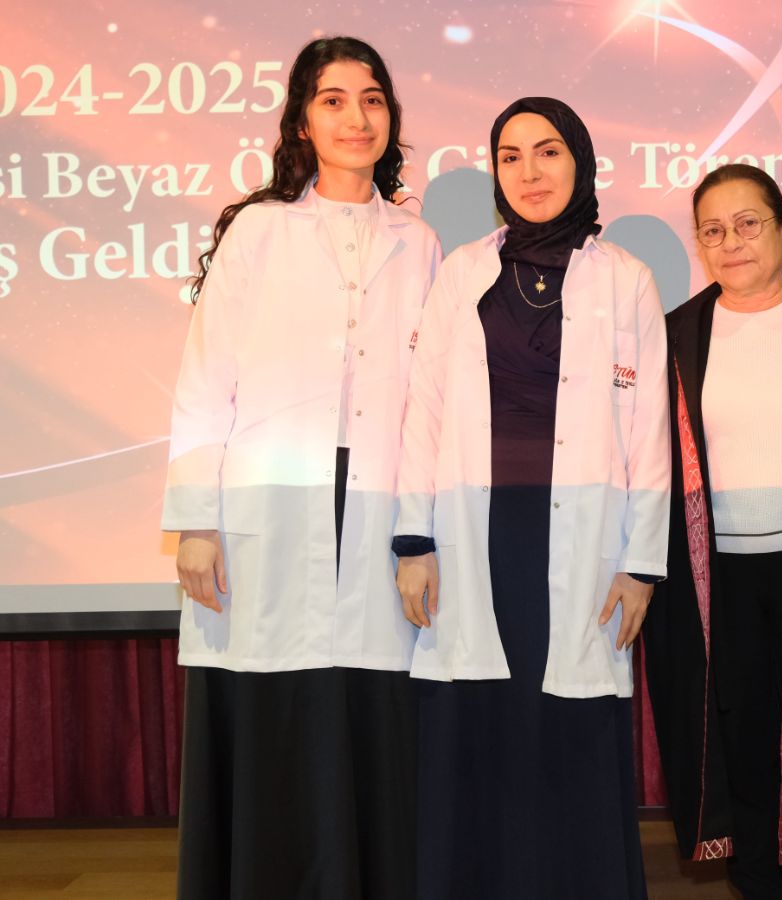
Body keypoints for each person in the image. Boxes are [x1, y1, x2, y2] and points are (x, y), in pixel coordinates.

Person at [162, 36, 441, 900]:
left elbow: (429, 401)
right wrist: (196, 520)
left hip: (378, 499)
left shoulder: (419, 241)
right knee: (272, 710)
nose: (356, 117)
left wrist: (420, 533)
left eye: (372, 99)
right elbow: (206, 378)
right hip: (270, 504)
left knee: (370, 712)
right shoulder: (260, 230)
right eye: (333, 99)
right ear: (301, 122)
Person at [393, 97, 669, 900]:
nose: (529, 171)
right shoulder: (462, 273)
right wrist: (414, 540)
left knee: (569, 729)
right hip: (477, 531)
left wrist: (642, 564)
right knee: (479, 725)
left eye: (547, 152)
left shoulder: (626, 279)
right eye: (510, 157)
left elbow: (650, 428)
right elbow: (424, 411)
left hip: (586, 538)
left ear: (579, 160)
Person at [644, 164, 782, 900]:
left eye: (749, 224)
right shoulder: (676, 335)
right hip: (720, 583)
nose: (732, 242)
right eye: (713, 230)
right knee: (745, 759)